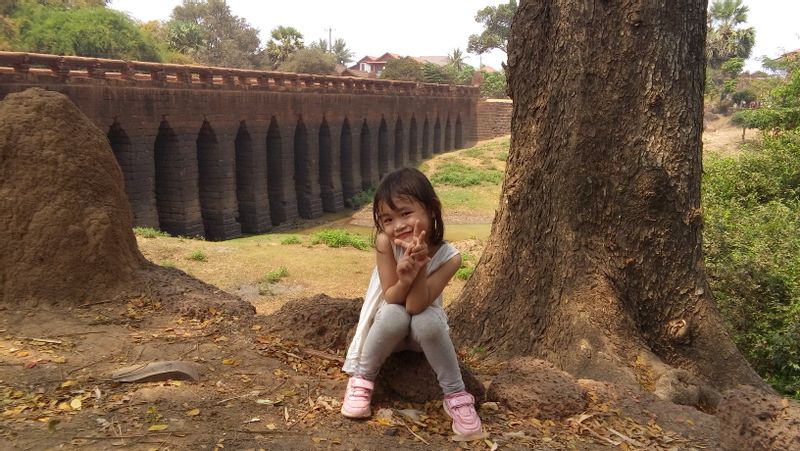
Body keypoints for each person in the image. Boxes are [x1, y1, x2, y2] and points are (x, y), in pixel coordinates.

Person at [340, 167, 483, 438]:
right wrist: (404, 278)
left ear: (431, 209)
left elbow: (417, 306)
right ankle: (361, 380)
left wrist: (418, 267)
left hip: (421, 337)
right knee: (394, 313)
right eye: (388, 219)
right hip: (389, 332)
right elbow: (393, 297)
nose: (398, 225)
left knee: (427, 319)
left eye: (406, 213)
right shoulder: (385, 243)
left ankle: (456, 395)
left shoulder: (451, 258)